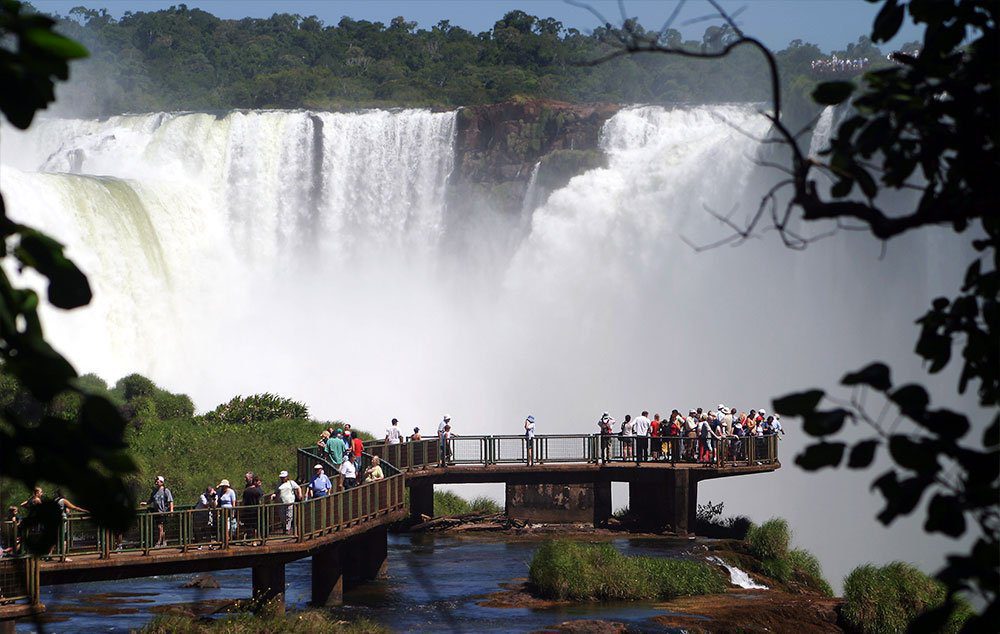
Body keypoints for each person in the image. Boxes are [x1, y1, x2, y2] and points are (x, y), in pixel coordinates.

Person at [146, 476, 174, 548]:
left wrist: (171, 510)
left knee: (160, 527)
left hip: (163, 512)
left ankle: (158, 542)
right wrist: (146, 503)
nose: (156, 482)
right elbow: (151, 500)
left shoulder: (166, 490)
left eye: (157, 481)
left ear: (162, 482)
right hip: (156, 512)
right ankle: (164, 541)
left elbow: (170, 501)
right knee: (161, 528)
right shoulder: (154, 491)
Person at [241, 476, 264, 540]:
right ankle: (255, 539)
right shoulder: (258, 491)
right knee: (256, 526)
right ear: (255, 482)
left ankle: (247, 538)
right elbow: (260, 501)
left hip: (247, 510)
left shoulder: (246, 490)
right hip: (256, 511)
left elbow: (243, 501)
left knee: (248, 525)